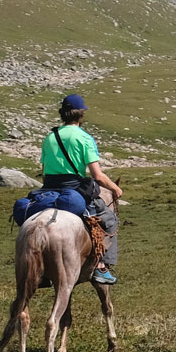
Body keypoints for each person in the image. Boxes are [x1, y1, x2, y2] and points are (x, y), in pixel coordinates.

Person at [40, 93, 124, 284]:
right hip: (73, 188)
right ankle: (102, 267)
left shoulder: (49, 137)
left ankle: (40, 267)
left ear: (62, 114)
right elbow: (98, 176)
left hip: (48, 189)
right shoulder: (84, 138)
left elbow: (44, 173)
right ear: (81, 115)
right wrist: (116, 189)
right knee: (109, 220)